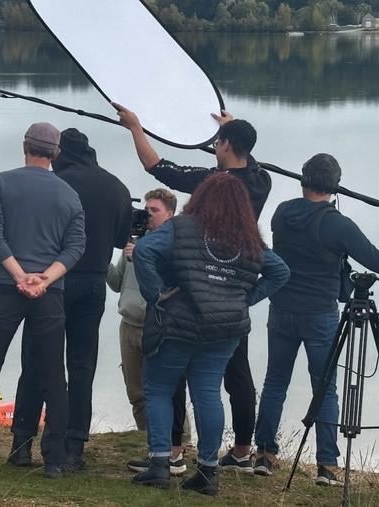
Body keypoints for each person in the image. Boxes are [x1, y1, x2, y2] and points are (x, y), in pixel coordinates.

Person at [114, 102, 271, 471]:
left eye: (218, 143)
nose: (213, 147)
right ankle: (241, 452)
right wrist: (233, 130)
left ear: (226, 145)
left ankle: (172, 452)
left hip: (195, 287)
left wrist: (136, 126)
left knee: (177, 372)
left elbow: (157, 166)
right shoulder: (262, 181)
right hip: (234, 291)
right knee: (237, 375)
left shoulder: (212, 185)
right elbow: (249, 158)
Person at [254, 153, 379, 486]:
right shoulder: (336, 224)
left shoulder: (282, 213)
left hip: (281, 306)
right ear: (335, 187)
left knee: (274, 381)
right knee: (324, 389)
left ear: (302, 180)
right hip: (320, 315)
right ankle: (327, 465)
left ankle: (264, 455)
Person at [131, 173, 289, 495]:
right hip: (225, 328)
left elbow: (144, 251)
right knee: (207, 391)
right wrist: (244, 300)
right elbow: (280, 271)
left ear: (200, 198)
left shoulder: (181, 227)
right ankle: (208, 470)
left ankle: (160, 463)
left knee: (159, 387)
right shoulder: (248, 238)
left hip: (179, 322)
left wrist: (156, 294)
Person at [0, 123, 86, 479]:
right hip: (50, 293)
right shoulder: (69, 195)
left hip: (5, 287)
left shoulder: (1, 182)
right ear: (56, 154)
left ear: (24, 146)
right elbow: (76, 246)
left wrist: (18, 275)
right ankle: (55, 461)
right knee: (52, 376)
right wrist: (45, 277)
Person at [7, 127, 132, 471]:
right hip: (93, 283)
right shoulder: (115, 186)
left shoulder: (54, 185)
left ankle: (21, 444)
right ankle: (73, 447)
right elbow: (123, 239)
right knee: (82, 365)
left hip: (52, 282)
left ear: (59, 153)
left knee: (36, 360)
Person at [106, 188, 191, 476]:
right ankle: (153, 446)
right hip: (128, 322)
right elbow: (117, 283)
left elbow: (171, 282)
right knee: (137, 393)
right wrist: (105, 255)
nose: (148, 216)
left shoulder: (171, 244)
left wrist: (143, 255)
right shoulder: (134, 243)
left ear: (170, 214)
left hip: (157, 323)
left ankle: (178, 446)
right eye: (146, 210)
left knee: (166, 389)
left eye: (153, 210)